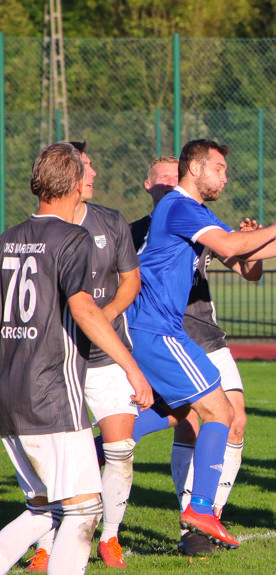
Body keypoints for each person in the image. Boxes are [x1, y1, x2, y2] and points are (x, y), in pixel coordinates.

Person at [125, 139, 276, 549]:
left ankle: (99, 445)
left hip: (165, 331)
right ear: (196, 169)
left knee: (179, 410)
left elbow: (240, 255)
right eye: (219, 168)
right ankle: (200, 509)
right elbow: (232, 245)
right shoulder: (180, 206)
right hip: (157, 330)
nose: (225, 176)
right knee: (219, 409)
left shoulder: (192, 210)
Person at [0, 143, 153, 575]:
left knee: (45, 509)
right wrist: (132, 367)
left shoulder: (7, 239)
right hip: (51, 394)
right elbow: (84, 308)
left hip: (9, 394)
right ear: (72, 184)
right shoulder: (72, 238)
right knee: (85, 509)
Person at [128, 156, 260, 556]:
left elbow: (249, 272)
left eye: (174, 176)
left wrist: (254, 245)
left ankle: (207, 513)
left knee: (233, 419)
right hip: (159, 338)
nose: (169, 183)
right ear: (148, 185)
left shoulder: (199, 218)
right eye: (161, 179)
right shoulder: (132, 233)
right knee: (182, 421)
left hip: (203, 335)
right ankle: (192, 526)